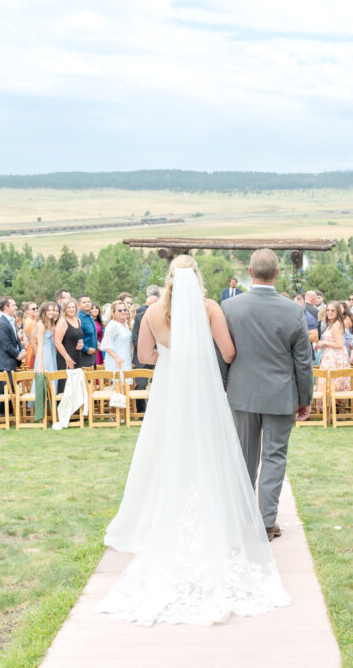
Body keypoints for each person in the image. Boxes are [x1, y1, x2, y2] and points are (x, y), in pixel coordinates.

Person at [99, 254, 291, 626]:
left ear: (169, 278)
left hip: (169, 388)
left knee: (165, 448)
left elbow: (143, 355)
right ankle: (216, 514)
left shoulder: (153, 313)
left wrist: (172, 357)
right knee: (209, 448)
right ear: (197, 277)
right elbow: (229, 351)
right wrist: (200, 356)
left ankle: (159, 512)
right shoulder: (209, 308)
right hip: (202, 390)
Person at [220, 249, 312, 541]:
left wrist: (224, 389)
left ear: (250, 271)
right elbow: (303, 361)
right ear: (278, 274)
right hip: (280, 395)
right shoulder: (294, 310)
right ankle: (266, 522)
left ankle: (243, 519)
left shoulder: (230, 307)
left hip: (242, 394)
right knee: (274, 457)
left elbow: (222, 356)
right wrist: (305, 398)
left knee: (245, 457)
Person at [314, 301, 350, 403]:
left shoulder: (335, 325)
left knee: (333, 382)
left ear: (338, 312)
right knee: (334, 382)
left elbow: (339, 345)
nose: (329, 312)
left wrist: (324, 342)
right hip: (332, 355)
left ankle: (334, 412)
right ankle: (336, 411)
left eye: (332, 310)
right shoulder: (333, 323)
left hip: (335, 357)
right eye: (328, 310)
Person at [54, 297, 84, 396]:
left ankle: (77, 410)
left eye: (73, 307)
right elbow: (57, 342)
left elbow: (78, 336)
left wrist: (81, 343)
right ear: (64, 309)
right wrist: (67, 358)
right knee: (66, 385)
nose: (71, 309)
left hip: (77, 356)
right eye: (69, 307)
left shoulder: (78, 320)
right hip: (65, 358)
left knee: (76, 385)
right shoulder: (63, 321)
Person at [100, 299, 133, 384]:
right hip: (117, 360)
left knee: (127, 384)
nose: (123, 312)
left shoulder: (125, 324)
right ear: (114, 312)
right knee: (120, 386)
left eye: (125, 310)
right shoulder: (113, 325)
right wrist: (116, 358)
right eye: (120, 310)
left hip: (126, 358)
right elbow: (106, 345)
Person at [32, 301, 59, 399]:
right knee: (45, 380)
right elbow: (39, 345)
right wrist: (40, 363)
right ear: (44, 311)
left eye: (53, 310)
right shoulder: (41, 324)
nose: (51, 312)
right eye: (49, 310)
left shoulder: (50, 323)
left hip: (51, 354)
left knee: (52, 379)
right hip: (44, 355)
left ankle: (51, 407)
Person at [0, 297, 26, 375]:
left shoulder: (10, 320)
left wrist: (23, 350)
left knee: (13, 387)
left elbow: (16, 338)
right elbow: (6, 345)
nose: (16, 307)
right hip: (5, 363)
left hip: (12, 362)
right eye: (13, 305)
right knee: (7, 387)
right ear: (5, 307)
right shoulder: (1, 323)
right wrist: (18, 354)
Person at [76, 295, 98, 369]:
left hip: (93, 355)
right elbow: (76, 337)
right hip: (83, 355)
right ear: (79, 305)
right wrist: (86, 349)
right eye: (84, 302)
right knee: (86, 379)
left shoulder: (90, 316)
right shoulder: (78, 318)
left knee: (93, 379)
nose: (87, 303)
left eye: (88, 301)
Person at [22, 301, 39, 372]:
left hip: (30, 349)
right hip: (33, 350)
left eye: (37, 308)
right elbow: (35, 340)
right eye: (33, 309)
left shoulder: (28, 320)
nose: (36, 310)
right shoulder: (31, 322)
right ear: (27, 311)